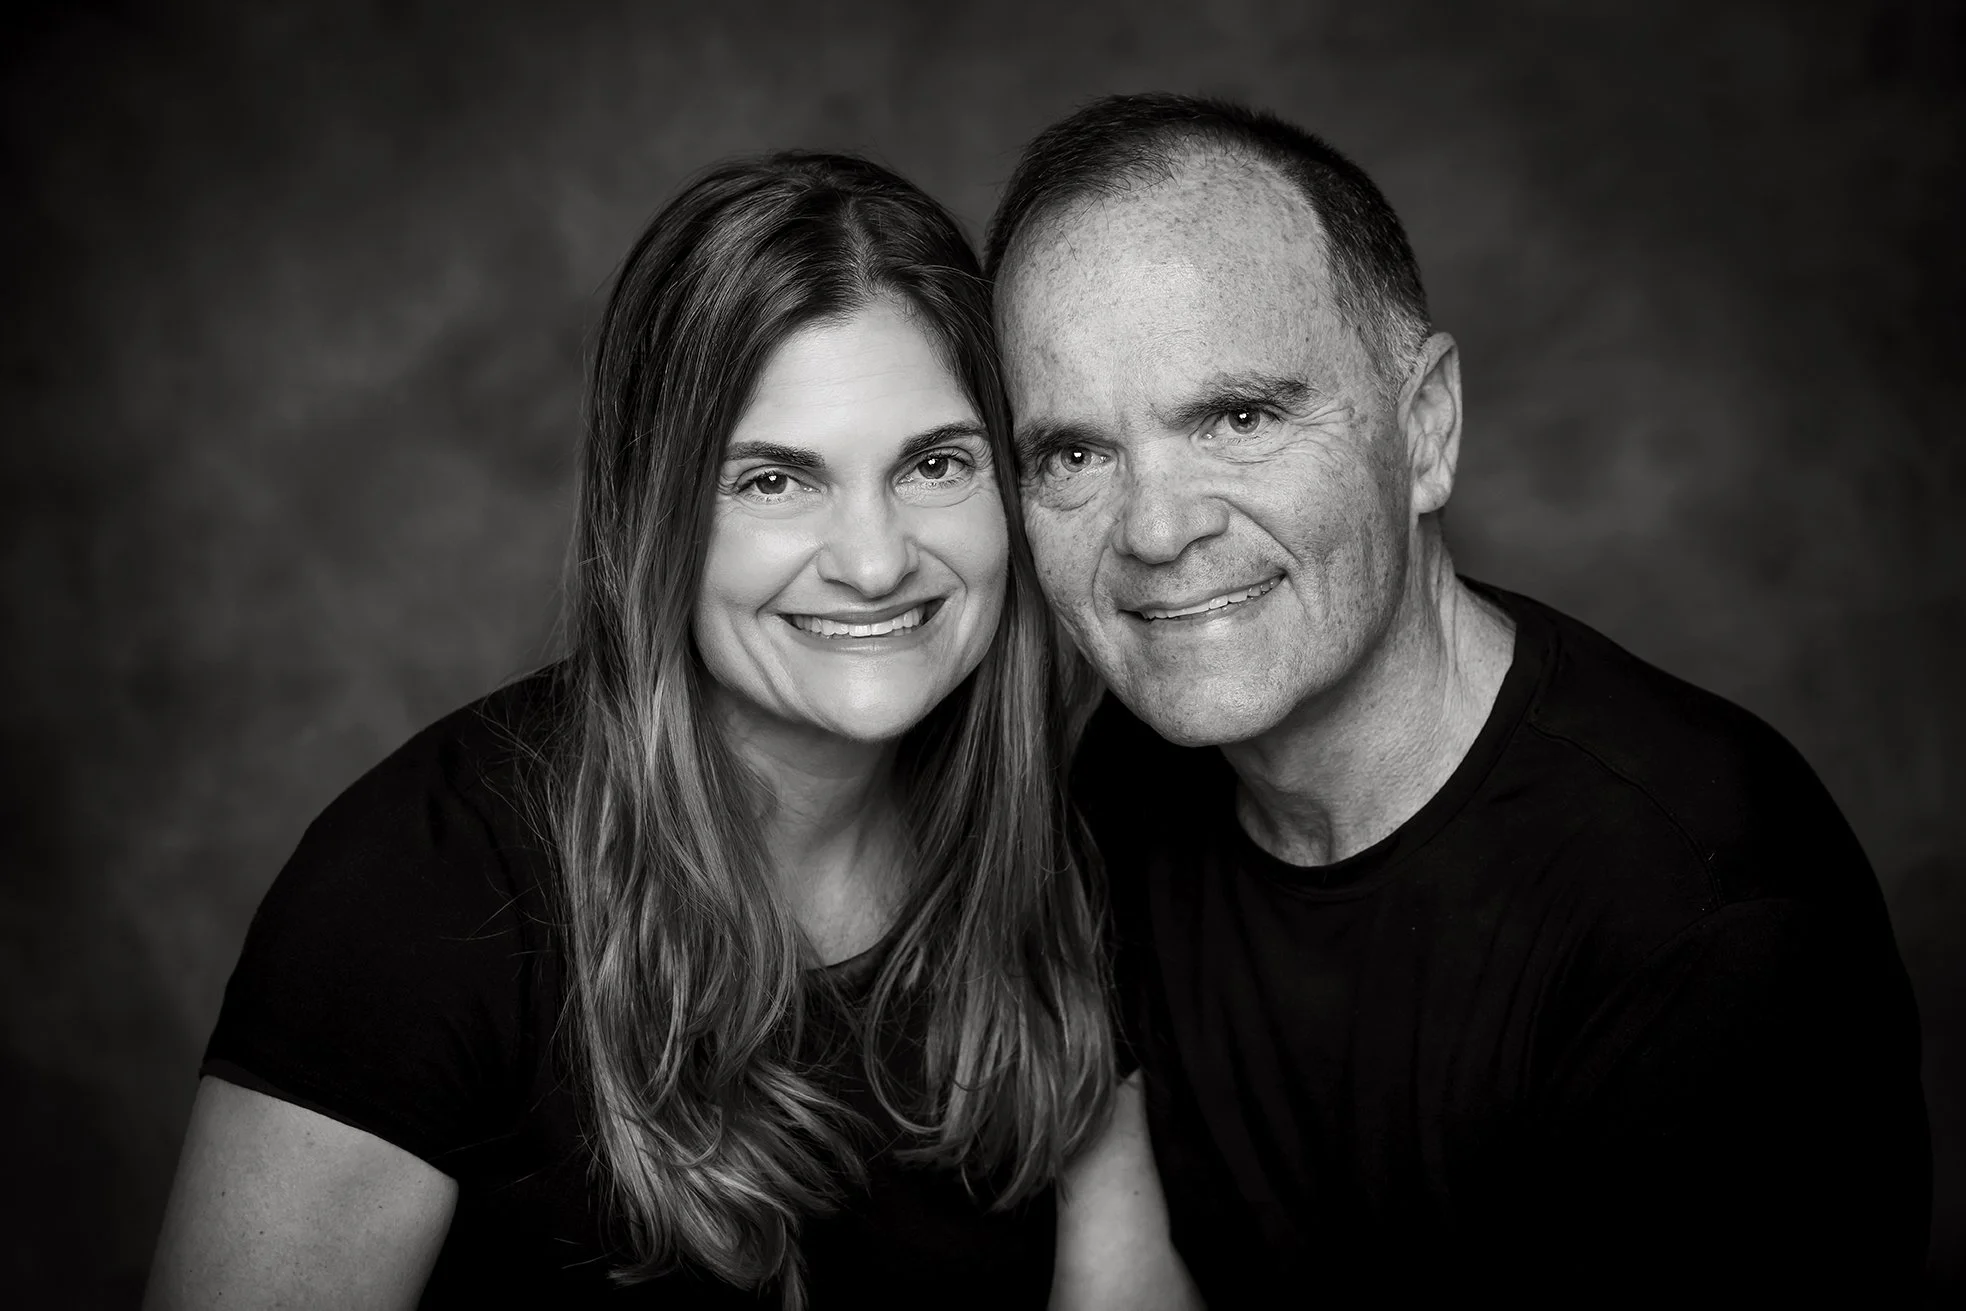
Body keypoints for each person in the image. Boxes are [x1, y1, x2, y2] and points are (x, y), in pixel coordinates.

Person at [144, 152, 1197, 1309]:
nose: (873, 561)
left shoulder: (1064, 838)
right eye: (773, 481)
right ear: (657, 515)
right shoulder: (417, 890)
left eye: (935, 465)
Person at [987, 93, 1932, 1304]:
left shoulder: (1704, 917)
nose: (1156, 531)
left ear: (1424, 427)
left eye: (1237, 416)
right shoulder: (1120, 783)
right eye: (1073, 454)